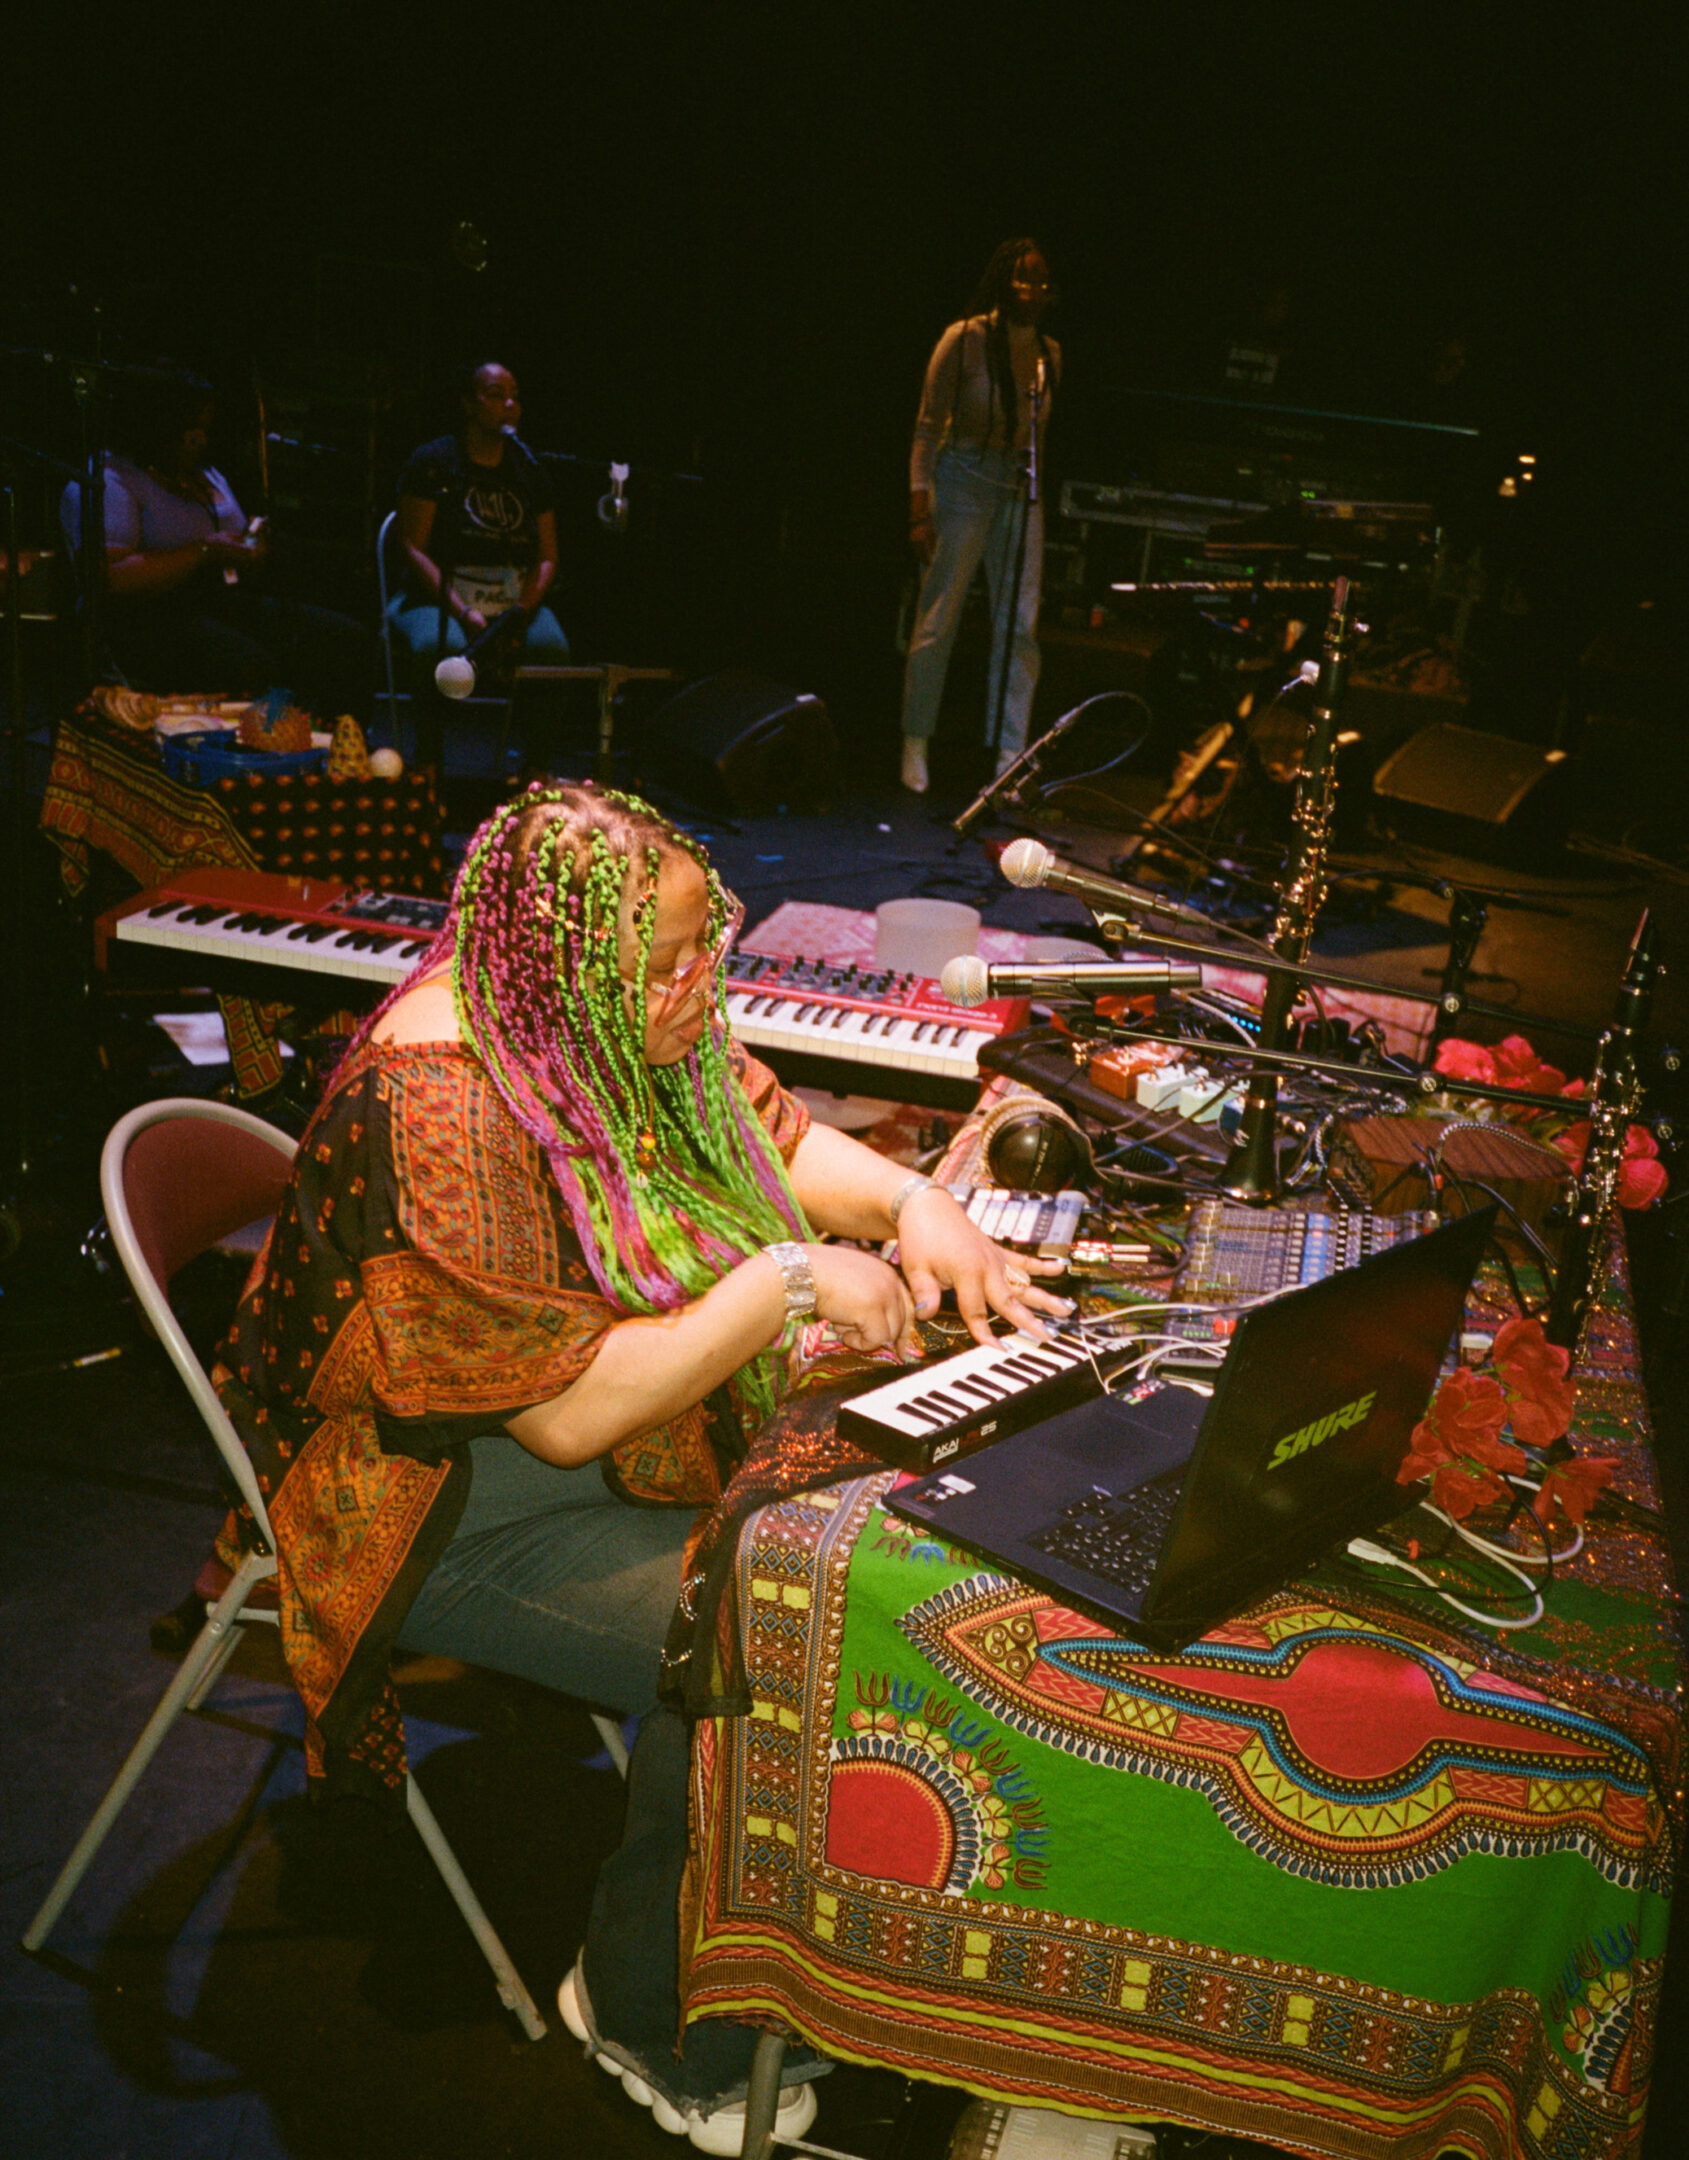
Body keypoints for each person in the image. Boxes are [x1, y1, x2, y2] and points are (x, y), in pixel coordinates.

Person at [211, 780, 1069, 2148]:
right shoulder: (438, 1101)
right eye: (665, 968)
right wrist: (787, 1282)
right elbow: (558, 1418)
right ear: (555, 968)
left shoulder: (600, 1013)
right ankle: (649, 2012)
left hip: (571, 1427)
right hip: (434, 1500)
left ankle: (802, 1936)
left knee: (873, 1565)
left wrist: (917, 1202)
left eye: (699, 951)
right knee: (760, 1632)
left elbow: (765, 1134)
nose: (695, 991)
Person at [59, 369, 371, 716]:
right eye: (191, 429)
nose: (200, 439)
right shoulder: (113, 478)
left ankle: (334, 741)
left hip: (218, 599)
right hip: (148, 616)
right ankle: (261, 740)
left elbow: (231, 539)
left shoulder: (204, 473)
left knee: (346, 641)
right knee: (250, 666)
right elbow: (111, 577)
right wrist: (205, 550)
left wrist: (250, 546)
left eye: (205, 428)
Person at [900, 238, 1061, 794]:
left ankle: (1009, 754)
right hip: (963, 481)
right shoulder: (964, 340)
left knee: (1020, 624)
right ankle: (916, 739)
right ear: (1002, 282)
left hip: (1018, 490)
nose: (1033, 290)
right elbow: (927, 428)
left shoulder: (1048, 353)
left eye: (1041, 281)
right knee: (939, 618)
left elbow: (1038, 437)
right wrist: (920, 507)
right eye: (1023, 279)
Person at [387, 361, 570, 680]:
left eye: (515, 396)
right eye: (496, 395)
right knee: (441, 648)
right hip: (438, 601)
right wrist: (463, 612)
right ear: (469, 404)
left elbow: (547, 556)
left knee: (551, 651)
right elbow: (413, 547)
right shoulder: (435, 460)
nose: (510, 404)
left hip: (511, 604)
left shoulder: (530, 471)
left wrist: (519, 613)